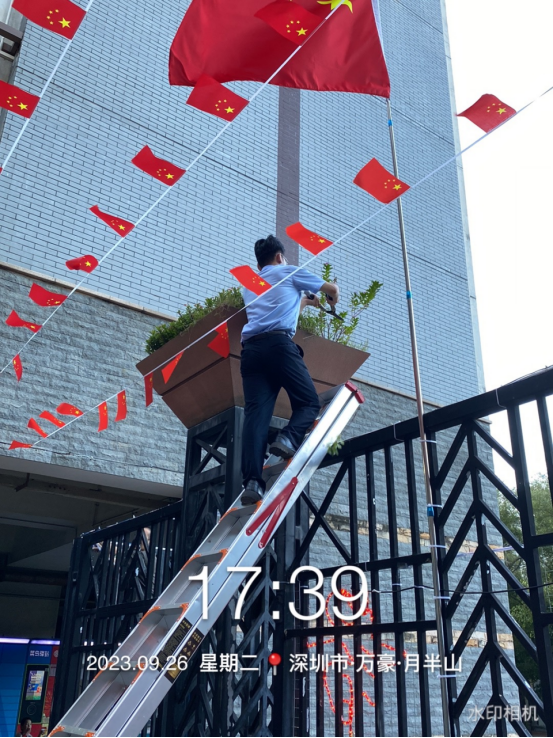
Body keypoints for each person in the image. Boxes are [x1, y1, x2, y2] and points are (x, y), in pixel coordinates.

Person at [240, 234, 340, 505]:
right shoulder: (290, 271)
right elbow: (331, 289)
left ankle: (252, 482)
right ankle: (288, 438)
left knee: (255, 417)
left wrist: (305, 301)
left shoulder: (250, 285)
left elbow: (276, 307)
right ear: (279, 257)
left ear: (259, 263)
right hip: (278, 347)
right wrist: (332, 296)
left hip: (251, 352)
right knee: (308, 402)